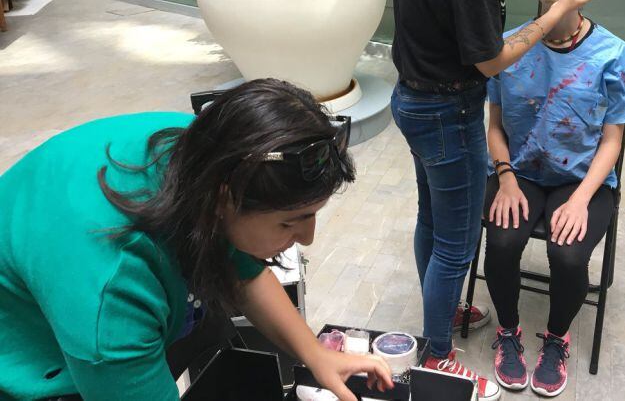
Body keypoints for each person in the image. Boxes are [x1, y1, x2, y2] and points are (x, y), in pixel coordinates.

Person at [0, 79, 393, 401]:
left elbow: (241, 271)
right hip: (35, 347)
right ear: (224, 199)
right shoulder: (111, 295)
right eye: (291, 223)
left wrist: (316, 354)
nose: (306, 239)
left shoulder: (213, 152)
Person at [389, 0, 609, 398]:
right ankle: (437, 353)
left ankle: (440, 318)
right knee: (457, 244)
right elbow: (491, 61)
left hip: (413, 101)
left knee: (432, 221)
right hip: (445, 112)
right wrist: (558, 6)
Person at [484, 0, 625, 396]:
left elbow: (613, 140)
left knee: (567, 253)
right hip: (523, 173)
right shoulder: (507, 49)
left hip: (585, 179)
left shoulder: (615, 55)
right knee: (502, 239)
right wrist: (506, 177)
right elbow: (494, 128)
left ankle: (556, 338)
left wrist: (580, 200)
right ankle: (508, 333)